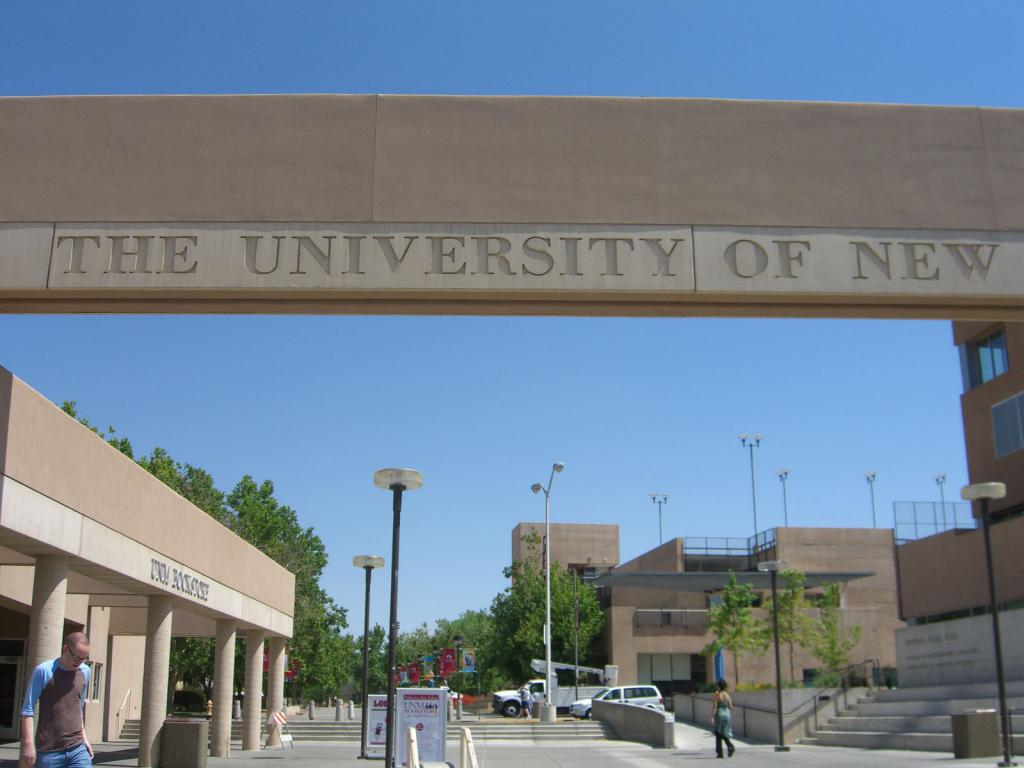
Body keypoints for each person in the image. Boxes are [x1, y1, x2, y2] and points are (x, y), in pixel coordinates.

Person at [20, 632, 94, 768]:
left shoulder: (85, 672)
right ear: (65, 649)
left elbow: (77, 706)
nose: (79, 662)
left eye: (84, 658)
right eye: (77, 657)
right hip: (49, 753)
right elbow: (27, 711)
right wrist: (29, 745)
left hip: (78, 749)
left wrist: (85, 739)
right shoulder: (43, 671)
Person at [710, 678, 735, 759]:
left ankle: (722, 751)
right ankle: (729, 747)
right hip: (727, 715)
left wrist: (712, 717)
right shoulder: (727, 695)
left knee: (718, 732)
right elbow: (731, 707)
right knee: (724, 732)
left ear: (719, 686)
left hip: (720, 714)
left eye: (717, 685)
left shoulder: (717, 694)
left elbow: (715, 707)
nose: (716, 686)